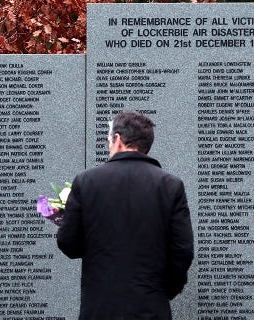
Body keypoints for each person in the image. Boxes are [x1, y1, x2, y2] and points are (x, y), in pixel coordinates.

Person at [57, 111, 194, 320]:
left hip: (99, 309)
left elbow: (69, 244)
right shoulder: (170, 186)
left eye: (108, 140)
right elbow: (183, 251)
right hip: (151, 309)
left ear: (118, 140)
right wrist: (163, 291)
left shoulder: (86, 182)